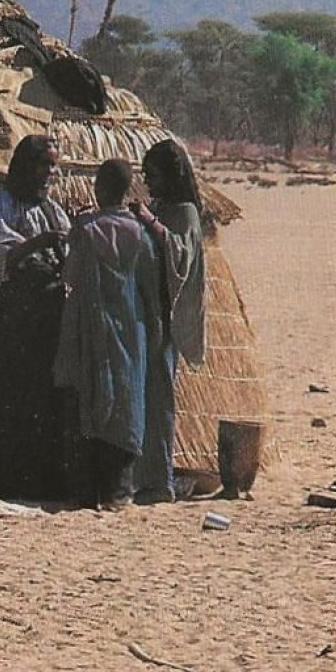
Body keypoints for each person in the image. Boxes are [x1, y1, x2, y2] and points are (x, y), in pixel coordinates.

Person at [0, 134, 72, 498]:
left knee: (42, 398)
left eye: (53, 166)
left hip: (45, 320)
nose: (49, 173)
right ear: (25, 166)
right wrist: (40, 243)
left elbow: (67, 243)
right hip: (13, 322)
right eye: (43, 165)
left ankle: (39, 480)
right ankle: (6, 481)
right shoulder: (0, 207)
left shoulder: (50, 209)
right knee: (10, 398)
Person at [53, 159, 165, 511]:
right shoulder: (139, 233)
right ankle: (119, 490)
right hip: (132, 330)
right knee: (126, 401)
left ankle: (87, 491)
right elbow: (150, 285)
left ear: (99, 189)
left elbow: (70, 275)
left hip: (88, 328)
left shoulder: (85, 230)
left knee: (87, 395)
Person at [129, 138, 207, 503]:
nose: (149, 182)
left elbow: (182, 256)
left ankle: (158, 480)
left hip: (164, 315)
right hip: (144, 313)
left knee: (159, 400)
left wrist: (151, 224)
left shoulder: (186, 211)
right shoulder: (160, 206)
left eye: (154, 175)